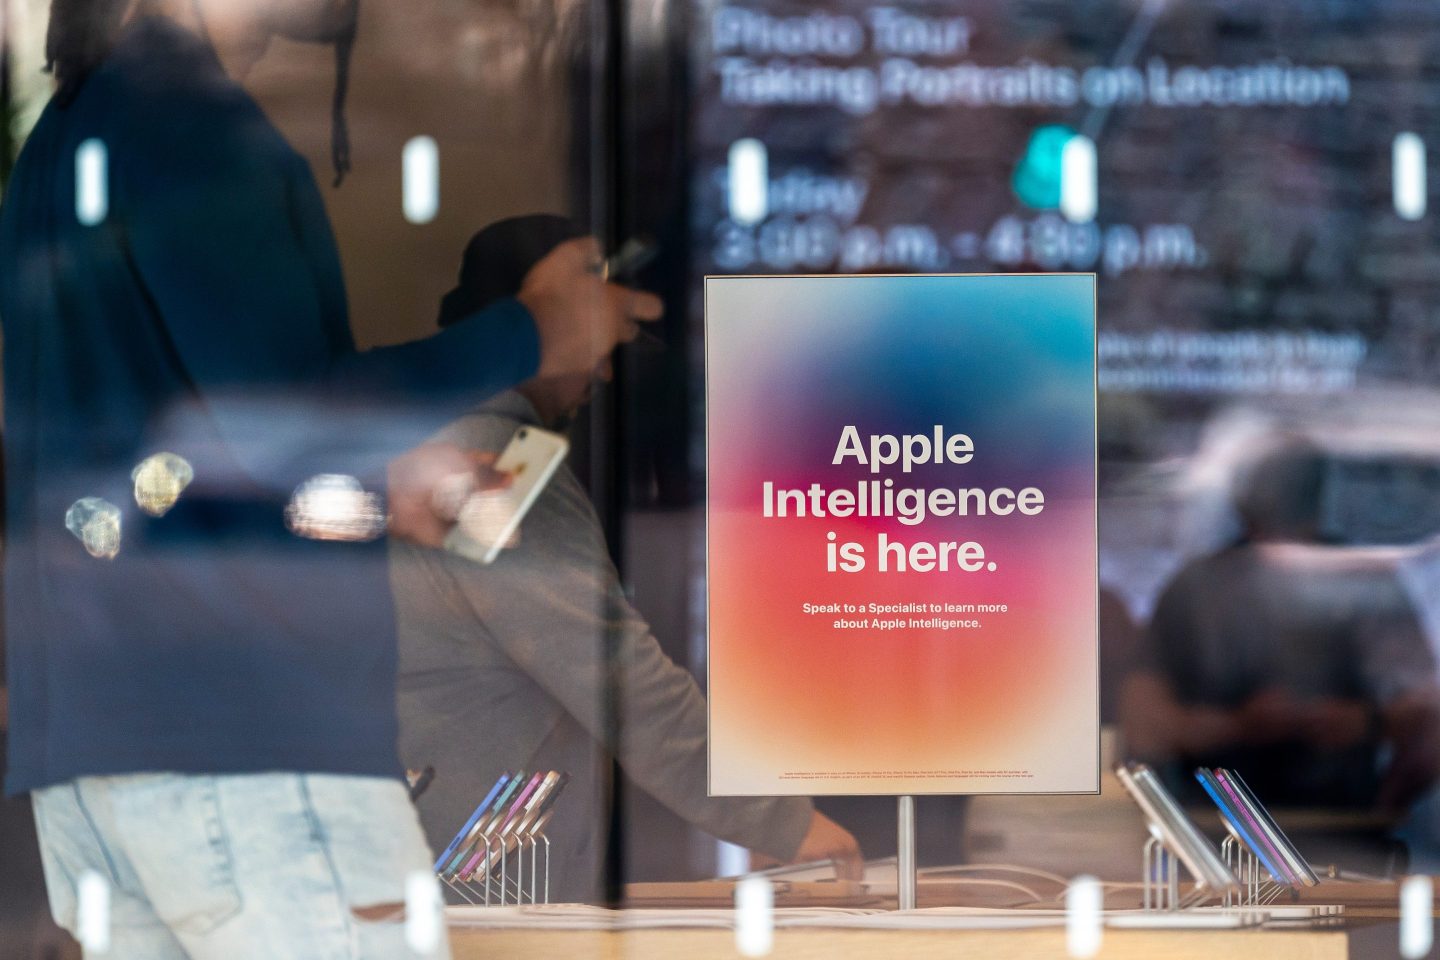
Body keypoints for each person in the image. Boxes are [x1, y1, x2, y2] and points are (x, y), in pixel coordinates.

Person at [0, 2, 655, 957]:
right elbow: (282, 412)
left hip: (98, 756)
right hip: (254, 746)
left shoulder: (69, 133)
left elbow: (178, 463)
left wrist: (382, 492)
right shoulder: (188, 118)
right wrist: (534, 330)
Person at [392, 217, 863, 903]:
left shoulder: (439, 449)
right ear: (541, 324)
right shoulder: (496, 465)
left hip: (445, 860)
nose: (605, 368)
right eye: (595, 338)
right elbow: (611, 667)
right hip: (476, 881)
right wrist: (782, 821)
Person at [1120, 439, 1440, 814]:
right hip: (1216, 829)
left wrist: (1363, 725)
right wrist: (1236, 726)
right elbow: (1142, 726)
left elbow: (1427, 716)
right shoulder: (1196, 589)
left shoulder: (1365, 582)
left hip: (1341, 829)